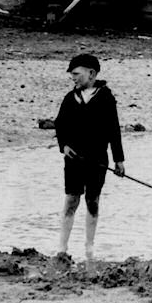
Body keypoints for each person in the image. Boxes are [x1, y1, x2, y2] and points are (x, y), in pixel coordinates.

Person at [54, 53, 124, 262]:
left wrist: (119, 160)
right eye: (71, 75)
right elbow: (60, 124)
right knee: (71, 200)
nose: (73, 78)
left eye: (76, 74)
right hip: (73, 160)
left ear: (91, 73)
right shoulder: (70, 98)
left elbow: (114, 130)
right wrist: (63, 146)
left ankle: (89, 248)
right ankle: (62, 247)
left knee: (92, 201)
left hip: (98, 160)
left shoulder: (106, 97)